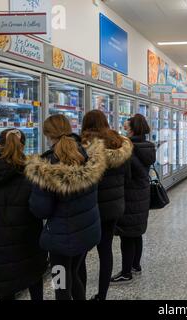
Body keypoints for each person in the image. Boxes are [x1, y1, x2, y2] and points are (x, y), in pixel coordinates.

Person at [24, 114, 106, 300]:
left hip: (60, 241)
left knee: (60, 284)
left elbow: (41, 210)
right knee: (75, 274)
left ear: (47, 135)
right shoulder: (86, 156)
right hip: (86, 232)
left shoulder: (47, 167)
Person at [80, 110, 133, 300]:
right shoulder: (119, 144)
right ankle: (102, 295)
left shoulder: (83, 146)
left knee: (81, 255)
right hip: (114, 208)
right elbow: (128, 177)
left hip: (89, 208)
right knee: (106, 250)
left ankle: (80, 295)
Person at [0, 129, 47, 301]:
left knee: (5, 287)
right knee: (35, 280)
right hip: (29, 241)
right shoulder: (33, 172)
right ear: (24, 146)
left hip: (0, 246)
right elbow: (40, 209)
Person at [111, 114, 156, 284]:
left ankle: (126, 272)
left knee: (127, 236)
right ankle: (136, 265)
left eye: (126, 128)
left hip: (130, 195)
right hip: (142, 193)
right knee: (137, 232)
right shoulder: (147, 146)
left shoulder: (128, 148)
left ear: (133, 130)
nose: (123, 131)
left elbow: (126, 175)